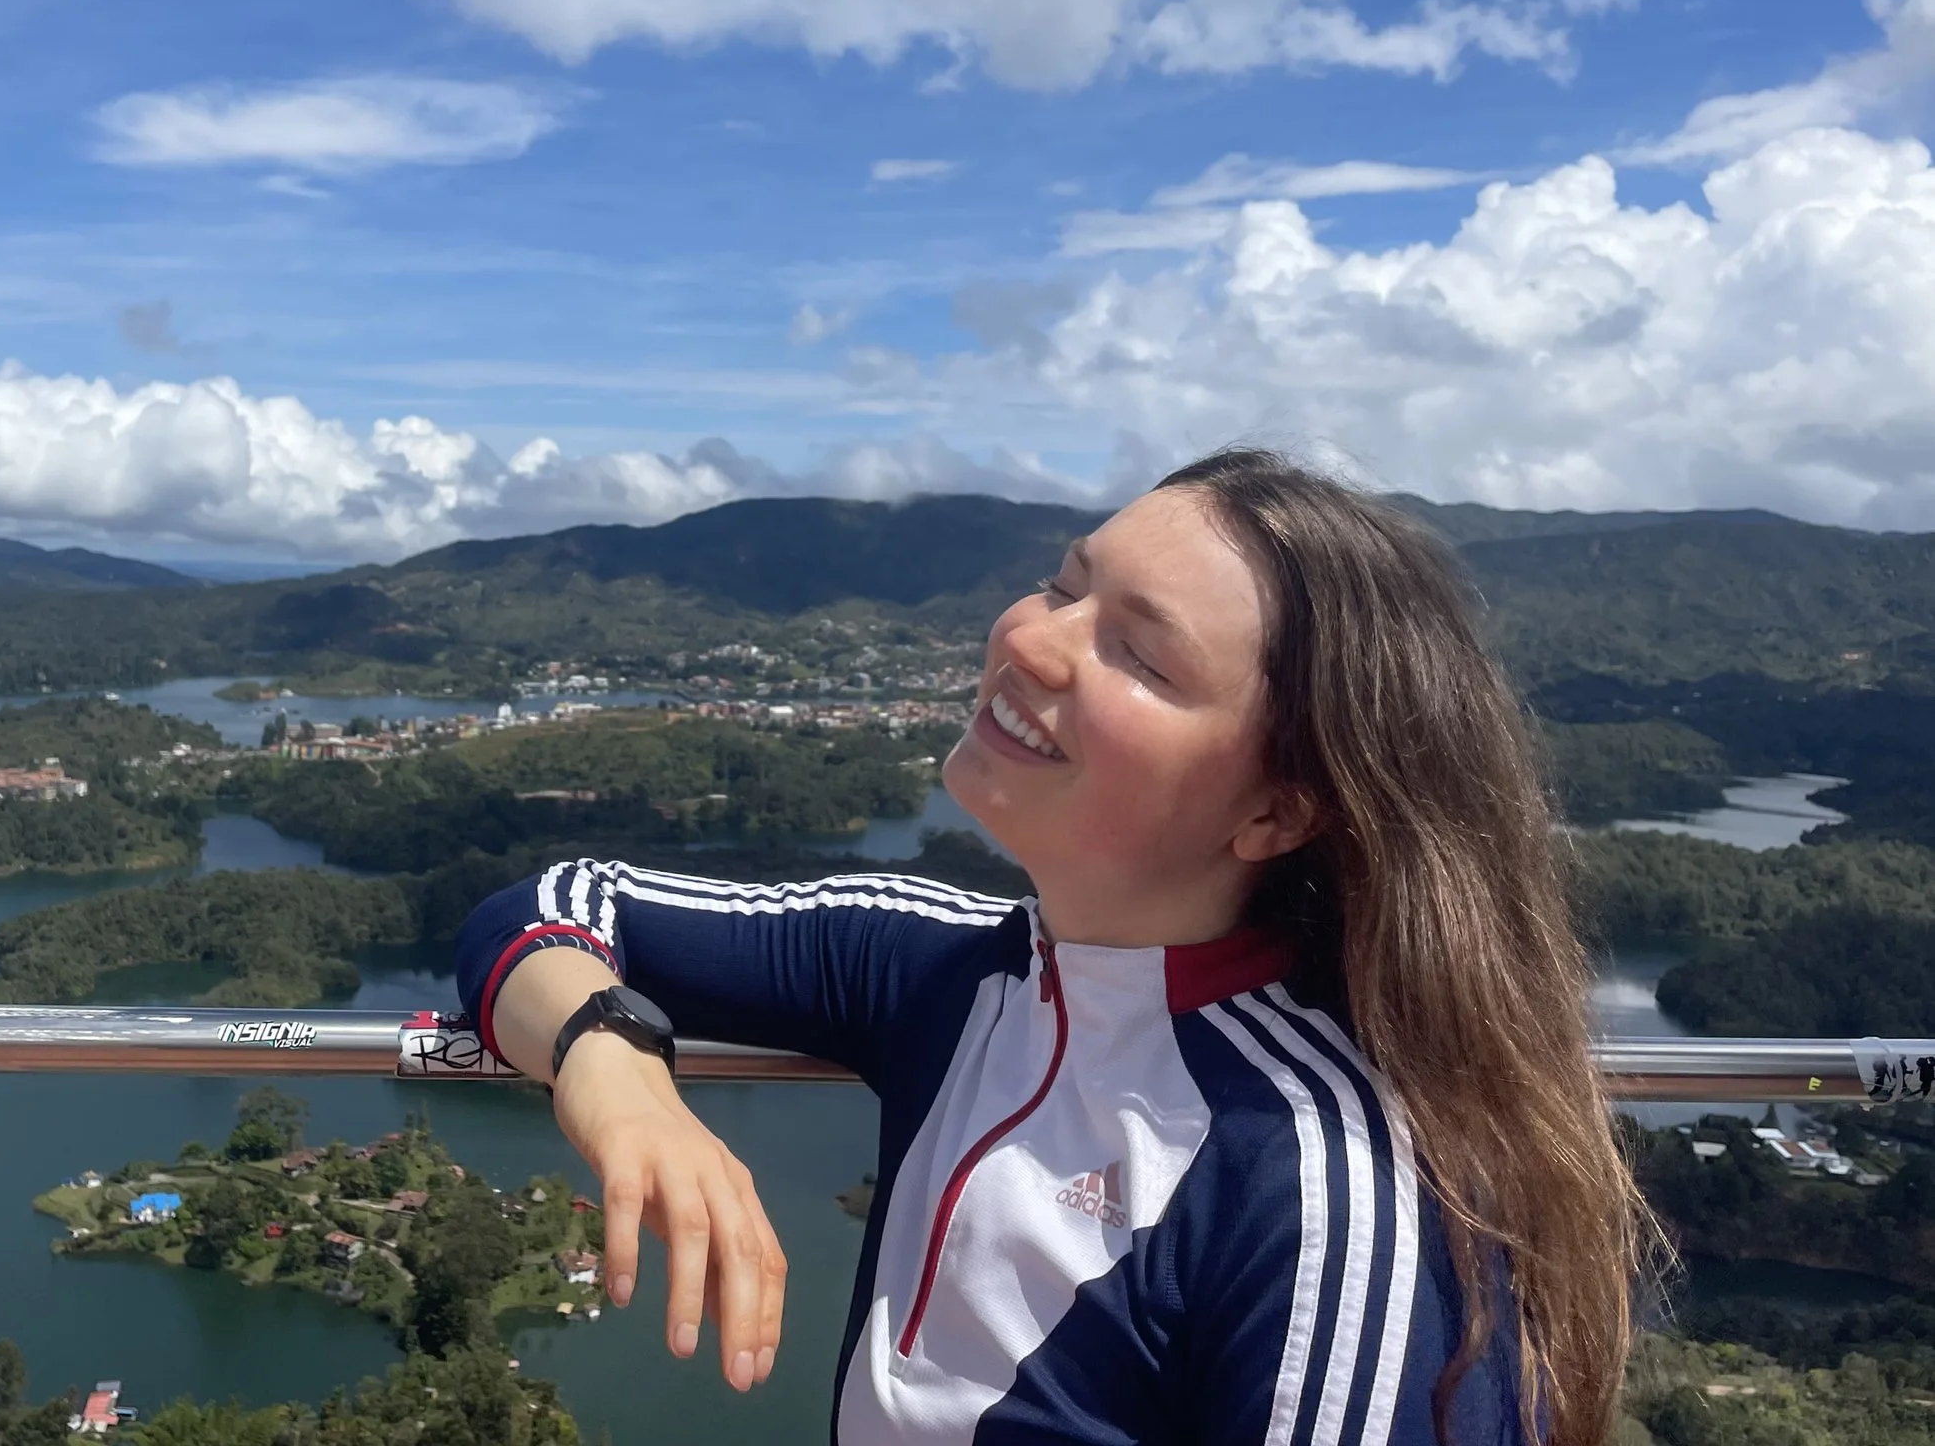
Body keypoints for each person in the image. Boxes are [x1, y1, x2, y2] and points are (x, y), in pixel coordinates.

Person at [456, 449, 1652, 1445]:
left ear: (1278, 811)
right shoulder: (942, 971)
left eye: (1139, 654)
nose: (1030, 642)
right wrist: (615, 1070)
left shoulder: (1321, 1187)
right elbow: (553, 904)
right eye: (1061, 584)